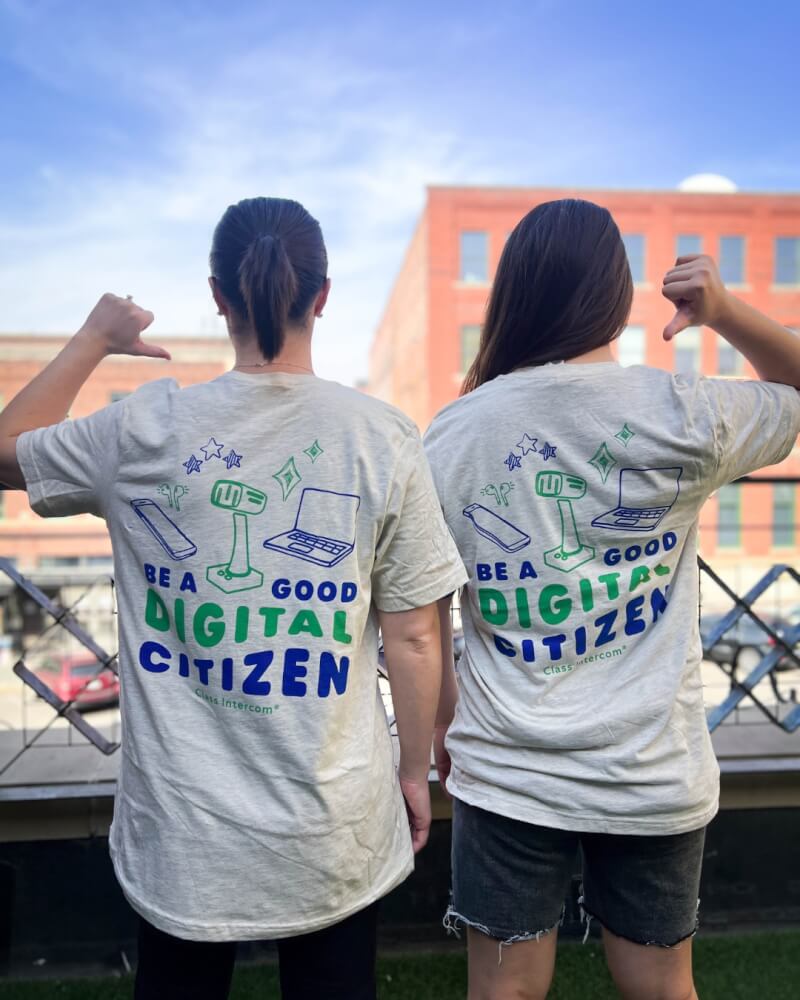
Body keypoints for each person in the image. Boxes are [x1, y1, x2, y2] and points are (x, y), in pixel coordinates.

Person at [0, 196, 467, 1000]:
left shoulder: (140, 429)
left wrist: (96, 339)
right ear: (323, 295)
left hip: (184, 834)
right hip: (332, 820)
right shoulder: (380, 434)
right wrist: (415, 771)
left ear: (219, 296)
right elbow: (417, 634)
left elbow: (5, 454)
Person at [423, 198, 800, 1000]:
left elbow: (422, 608)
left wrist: (443, 722)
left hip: (505, 766)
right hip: (651, 768)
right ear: (617, 296)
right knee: (663, 990)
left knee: (503, 995)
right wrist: (728, 312)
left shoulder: (452, 433)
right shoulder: (683, 408)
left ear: (513, 293)